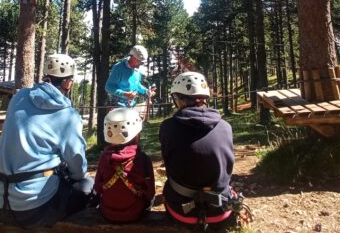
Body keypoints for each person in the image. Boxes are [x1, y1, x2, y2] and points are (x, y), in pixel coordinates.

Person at [0, 53, 94, 228]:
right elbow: (78, 169)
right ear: (68, 83)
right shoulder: (68, 115)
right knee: (88, 186)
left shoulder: (19, 97)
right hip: (32, 209)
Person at [159, 71, 238, 229]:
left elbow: (168, 162)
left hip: (181, 210)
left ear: (178, 99)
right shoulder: (225, 127)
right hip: (220, 211)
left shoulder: (167, 127)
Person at [94, 108, 155, 222]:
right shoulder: (143, 159)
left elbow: (98, 187)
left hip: (108, 213)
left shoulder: (104, 158)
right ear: (137, 133)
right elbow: (150, 193)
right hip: (135, 214)